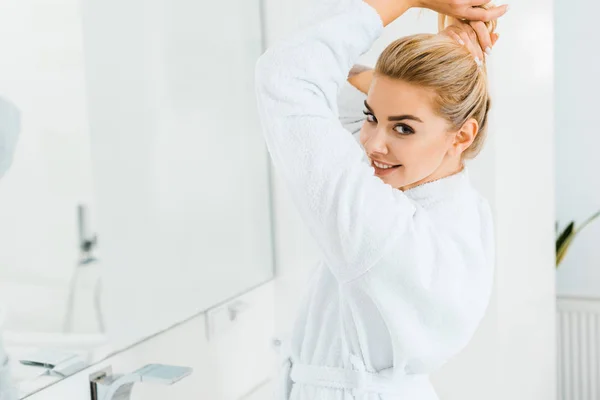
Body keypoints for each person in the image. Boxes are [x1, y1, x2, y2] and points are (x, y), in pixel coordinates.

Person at [254, 0, 507, 398]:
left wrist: (410, 0)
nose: (372, 144)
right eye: (373, 117)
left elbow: (289, 75)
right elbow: (332, 89)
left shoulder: (388, 229)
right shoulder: (459, 212)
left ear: (462, 135)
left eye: (403, 128)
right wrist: (436, 72)